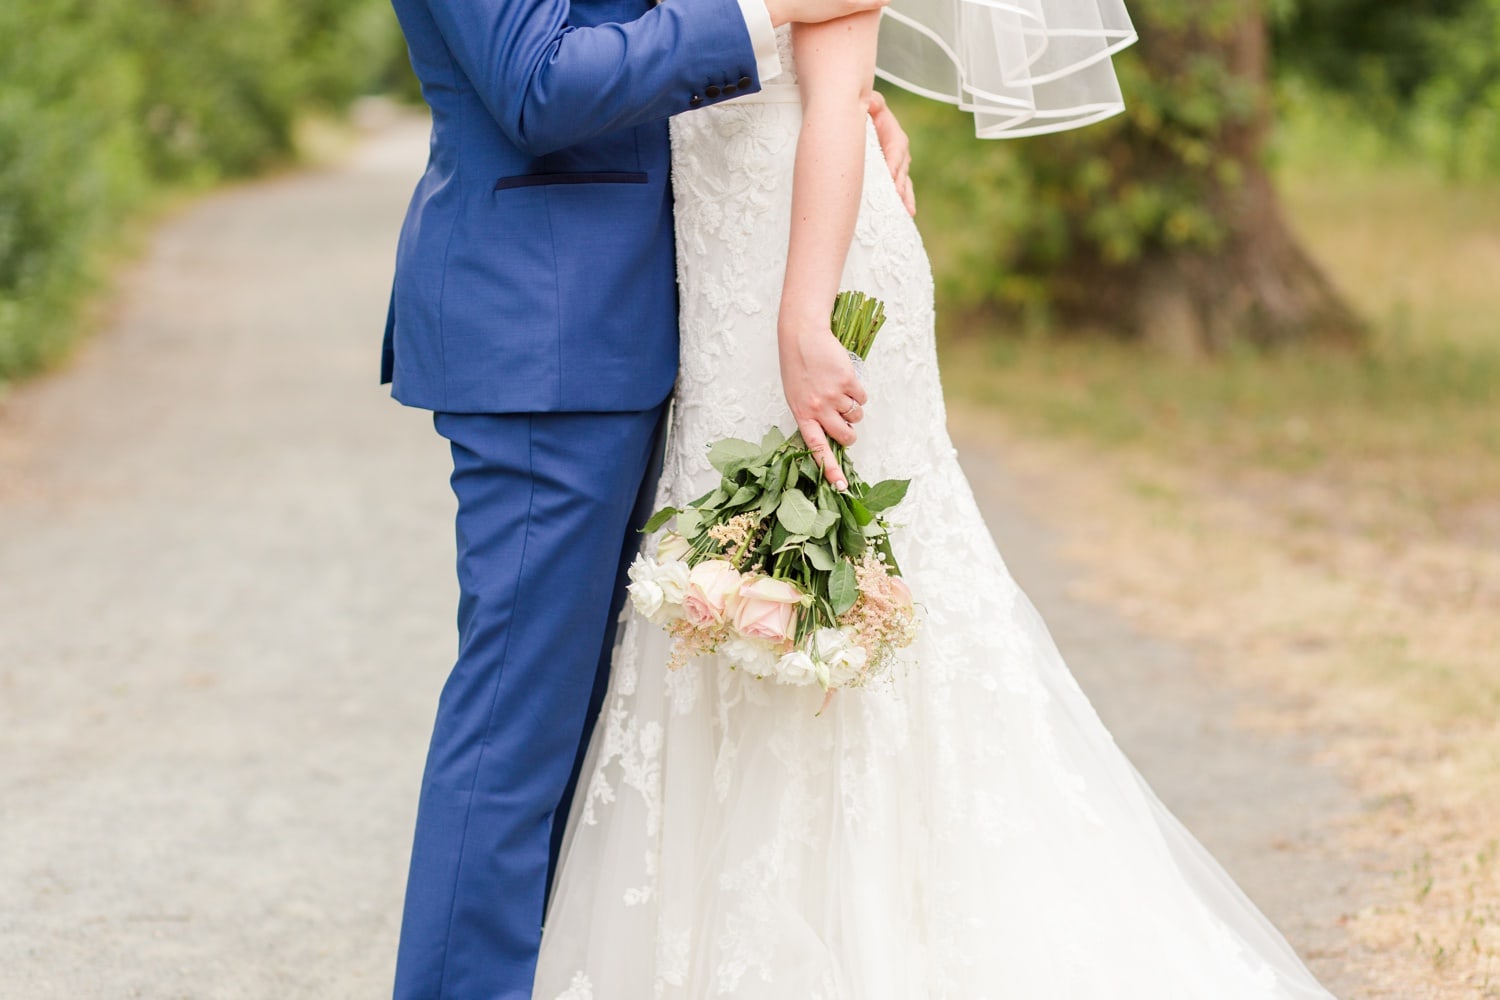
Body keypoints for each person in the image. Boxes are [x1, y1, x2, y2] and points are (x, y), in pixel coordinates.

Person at [530, 2, 1341, 997]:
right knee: (738, 576)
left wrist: (803, 315)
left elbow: (829, 95)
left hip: (802, 265)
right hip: (724, 259)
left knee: (848, 585)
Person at [380, 0, 917, 996]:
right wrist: (769, 15)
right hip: (545, 336)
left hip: (631, 318)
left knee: (581, 735)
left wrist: (824, 110)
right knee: (516, 732)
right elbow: (540, 87)